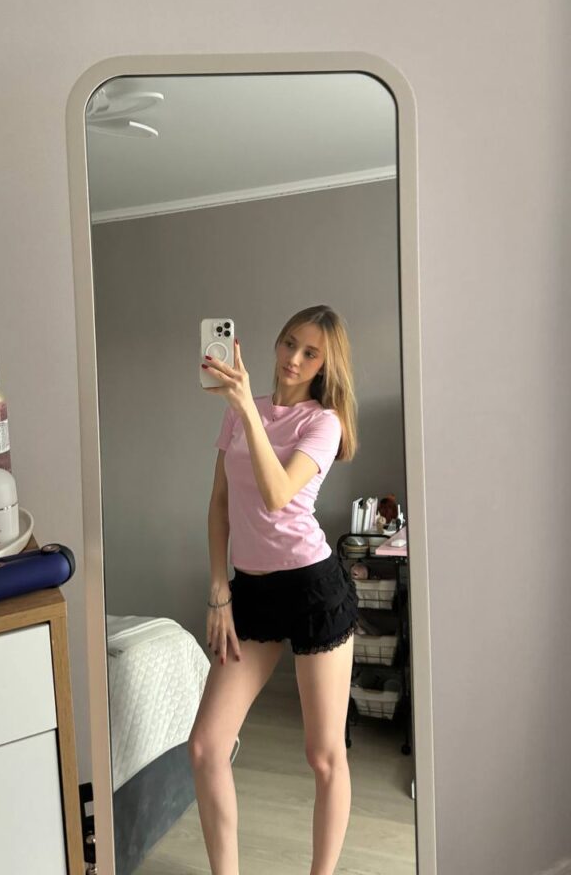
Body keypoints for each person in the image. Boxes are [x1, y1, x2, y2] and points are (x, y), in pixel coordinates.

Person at [189, 304, 359, 875]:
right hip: (253, 593)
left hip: (312, 587)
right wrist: (220, 589)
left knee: (323, 756)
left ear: (324, 365)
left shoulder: (324, 423)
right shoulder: (241, 410)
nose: (293, 359)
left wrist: (246, 410)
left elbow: (278, 494)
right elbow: (219, 503)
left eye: (310, 353)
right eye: (289, 343)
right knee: (206, 747)